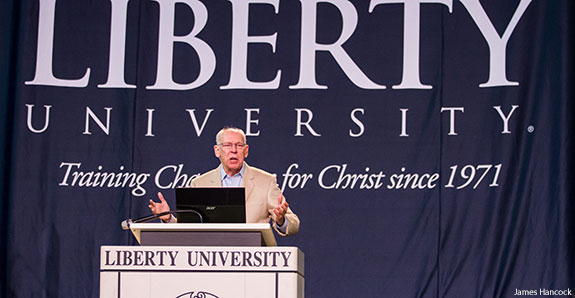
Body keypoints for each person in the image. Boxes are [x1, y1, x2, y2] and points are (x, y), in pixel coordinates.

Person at [149, 127, 300, 236]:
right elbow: (189, 230)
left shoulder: (266, 181)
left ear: (245, 151)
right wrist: (168, 219)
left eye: (239, 145)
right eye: (227, 145)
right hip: (211, 262)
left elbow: (294, 223)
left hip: (253, 262)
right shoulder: (199, 183)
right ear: (217, 151)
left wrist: (281, 220)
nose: (233, 150)